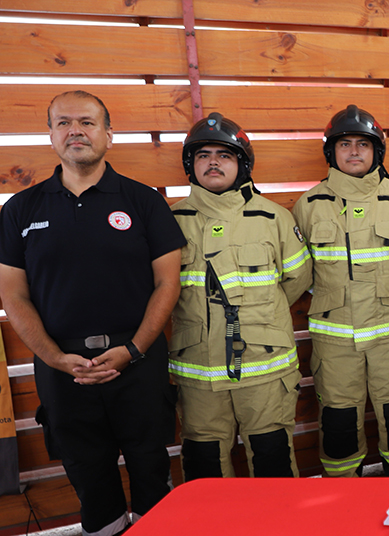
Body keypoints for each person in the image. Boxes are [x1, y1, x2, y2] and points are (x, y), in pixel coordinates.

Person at [0, 91, 185, 535]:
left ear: (108, 134)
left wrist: (134, 349)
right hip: (63, 369)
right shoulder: (21, 209)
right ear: (50, 135)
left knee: (150, 469)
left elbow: (167, 283)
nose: (75, 131)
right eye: (63, 123)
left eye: (86, 122)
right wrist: (55, 358)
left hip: (137, 364)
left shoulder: (144, 202)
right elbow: (12, 295)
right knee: (88, 475)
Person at [169, 113, 312, 480]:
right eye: (203, 155)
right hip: (197, 372)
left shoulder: (274, 218)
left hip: (265, 369)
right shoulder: (169, 221)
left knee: (272, 458)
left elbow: (297, 278)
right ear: (190, 164)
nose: (213, 162)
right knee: (204, 466)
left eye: (224, 155)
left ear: (242, 164)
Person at [292, 105, 389, 477]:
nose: (354, 152)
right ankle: (341, 500)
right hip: (336, 343)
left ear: (377, 151)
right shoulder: (309, 205)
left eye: (363, 144)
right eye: (345, 144)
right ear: (331, 152)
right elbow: (299, 273)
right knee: (338, 425)